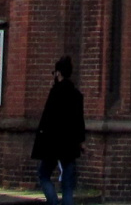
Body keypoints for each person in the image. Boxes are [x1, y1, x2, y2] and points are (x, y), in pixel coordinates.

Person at [32, 56, 84, 205]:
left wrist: (40, 139)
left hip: (52, 144)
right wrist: (81, 141)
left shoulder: (55, 93)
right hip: (70, 144)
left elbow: (47, 119)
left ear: (58, 73)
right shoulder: (76, 94)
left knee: (44, 175)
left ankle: (53, 202)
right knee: (68, 185)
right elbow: (79, 120)